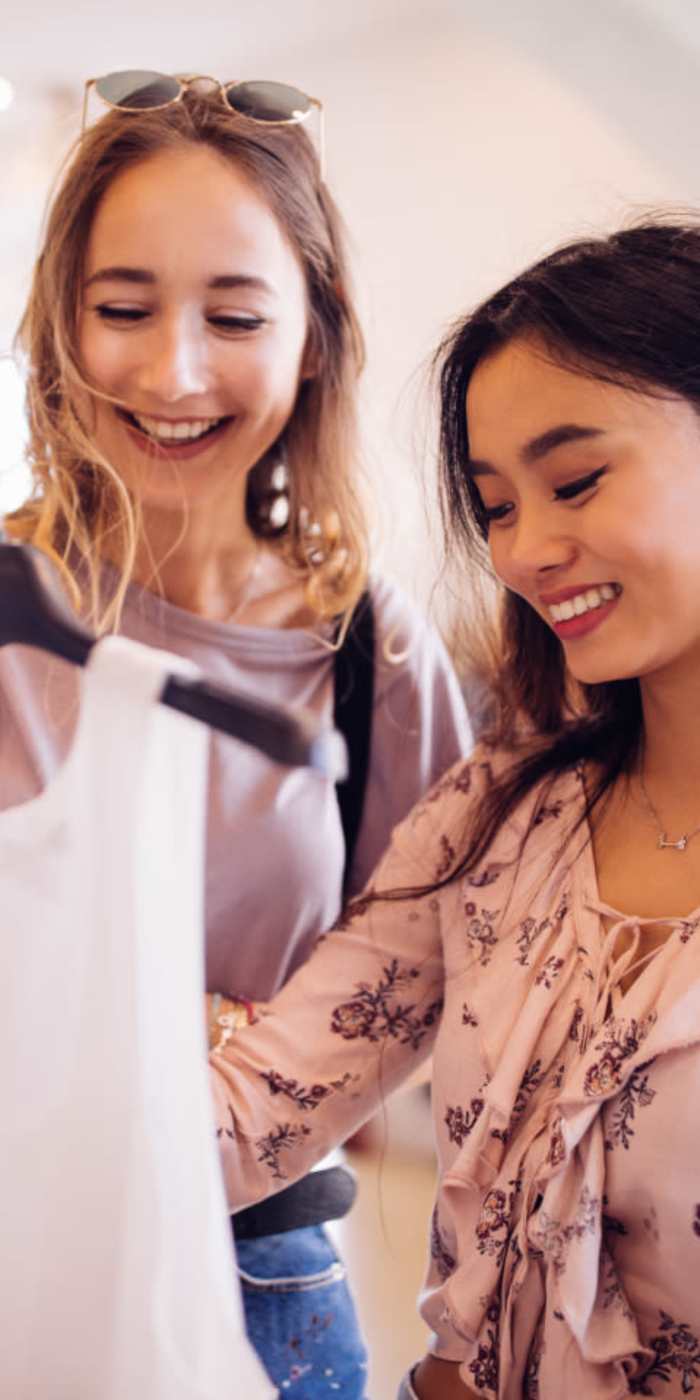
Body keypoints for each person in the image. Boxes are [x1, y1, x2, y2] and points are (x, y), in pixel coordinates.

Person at [1, 74, 471, 1397]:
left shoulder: (371, 652)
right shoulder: (7, 612)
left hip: (264, 1276)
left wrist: (192, 1091)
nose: (175, 372)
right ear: (61, 325)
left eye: (237, 315)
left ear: (314, 338)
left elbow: (419, 965)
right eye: (124, 309)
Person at [208, 218, 700, 1399]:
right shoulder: (501, 810)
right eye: (494, 505)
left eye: (575, 480)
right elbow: (255, 1108)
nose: (527, 549)